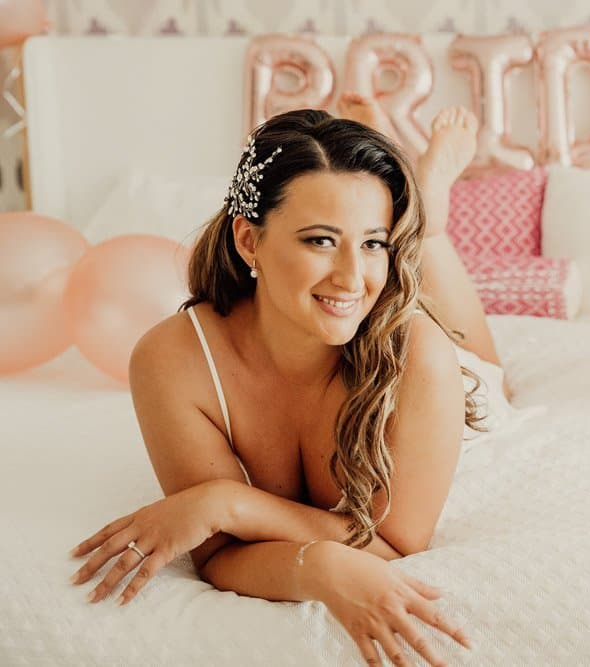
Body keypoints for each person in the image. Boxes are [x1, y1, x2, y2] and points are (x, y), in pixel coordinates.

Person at [68, 96, 511, 666]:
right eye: (321, 240)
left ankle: (427, 221)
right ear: (249, 240)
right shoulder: (171, 360)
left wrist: (226, 502)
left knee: (493, 375)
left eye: (374, 243)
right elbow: (219, 556)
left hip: (451, 385)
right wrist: (317, 566)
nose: (353, 276)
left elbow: (392, 546)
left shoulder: (421, 354)